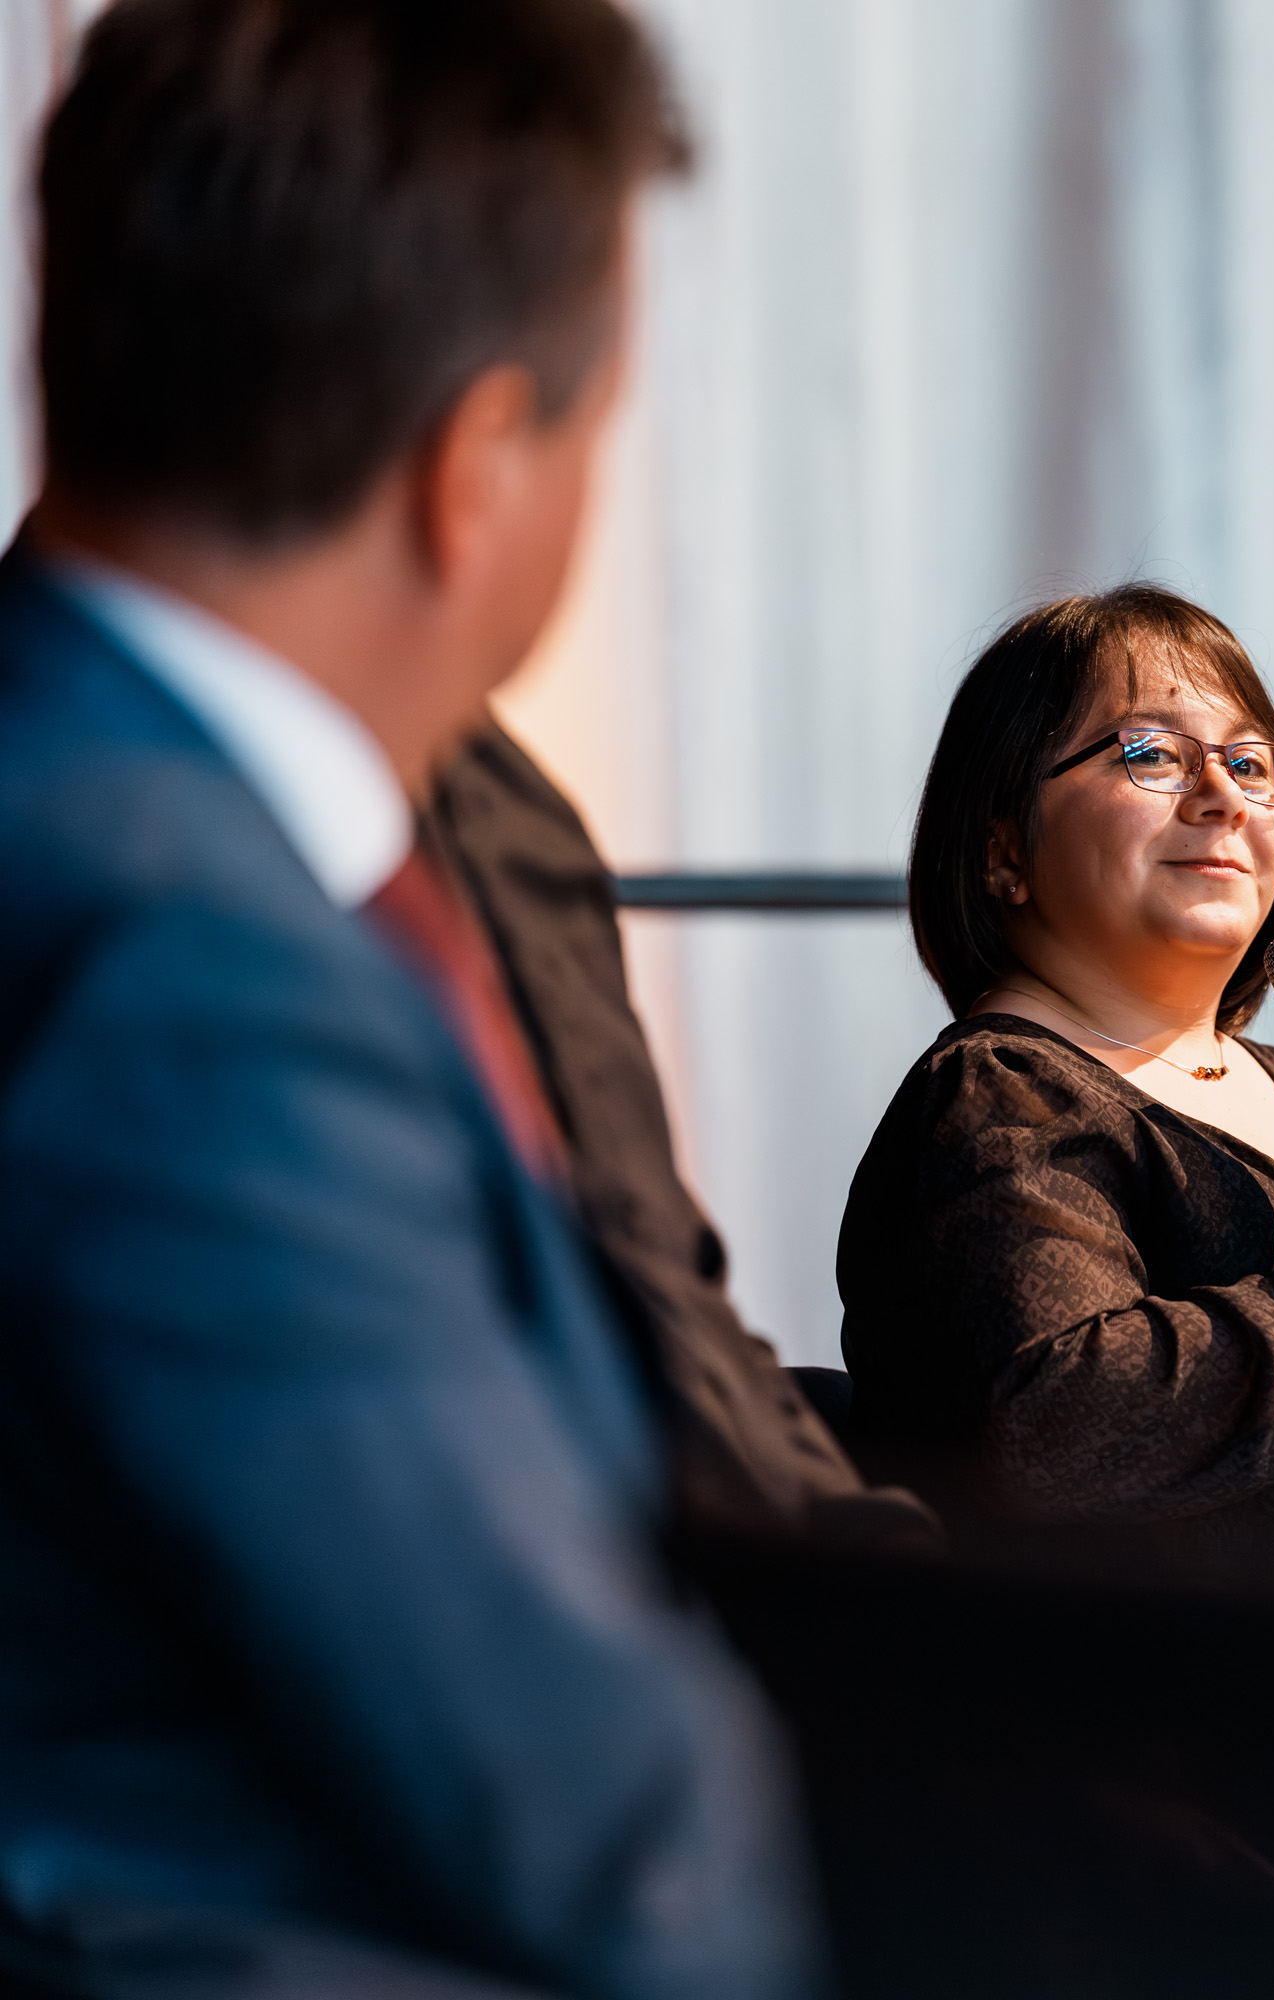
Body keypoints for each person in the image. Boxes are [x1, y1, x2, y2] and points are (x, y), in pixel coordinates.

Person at [0, 3, 821, 1994]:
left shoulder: (86, 800)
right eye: (593, 428)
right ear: (476, 468)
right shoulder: (197, 976)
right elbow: (602, 1836)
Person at [839, 586, 1274, 1595]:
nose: (1223, 796)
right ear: (1004, 849)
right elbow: (1051, 1430)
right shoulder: (1000, 1099)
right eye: (1153, 754)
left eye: (1252, 764)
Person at [427, 717, 938, 1550]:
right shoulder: (1001, 1099)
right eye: (1142, 755)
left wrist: (846, 1526)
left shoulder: (510, 809)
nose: (1195, 798)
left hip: (730, 1517)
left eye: (1236, 758)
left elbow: (657, 1262)